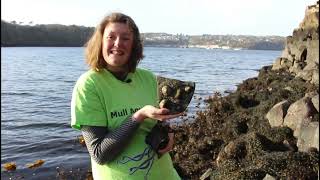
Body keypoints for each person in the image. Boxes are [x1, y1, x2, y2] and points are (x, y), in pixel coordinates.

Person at [71, 12, 182, 180]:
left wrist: (169, 132)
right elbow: (100, 154)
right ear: (100, 42)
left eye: (125, 38)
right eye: (111, 37)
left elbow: (161, 122)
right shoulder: (89, 85)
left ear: (134, 45)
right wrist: (139, 116)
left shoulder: (149, 78)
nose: (117, 43)